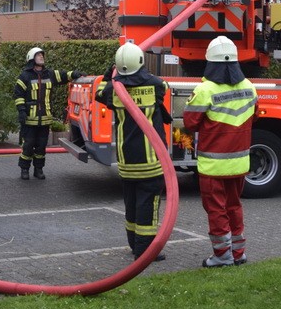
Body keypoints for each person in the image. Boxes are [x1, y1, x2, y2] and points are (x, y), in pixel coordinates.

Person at [183, 36, 258, 267]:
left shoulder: (205, 89)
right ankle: (238, 253)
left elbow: (190, 122)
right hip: (239, 164)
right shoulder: (249, 87)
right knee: (234, 206)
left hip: (214, 166)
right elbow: (253, 116)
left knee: (216, 210)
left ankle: (222, 255)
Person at [95, 43, 170, 262]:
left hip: (126, 162)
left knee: (132, 204)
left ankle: (134, 244)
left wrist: (110, 75)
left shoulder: (113, 90)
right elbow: (162, 86)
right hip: (151, 161)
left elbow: (100, 92)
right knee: (149, 205)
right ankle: (144, 250)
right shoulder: (155, 85)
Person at [14, 47, 82, 180]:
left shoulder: (49, 74)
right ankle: (24, 169)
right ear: (31, 58)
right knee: (28, 145)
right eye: (38, 55)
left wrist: (74, 74)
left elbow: (63, 75)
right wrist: (21, 112)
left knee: (41, 146)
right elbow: (18, 95)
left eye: (42, 55)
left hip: (45, 119)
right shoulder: (24, 76)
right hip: (30, 119)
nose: (41, 57)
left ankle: (38, 169)